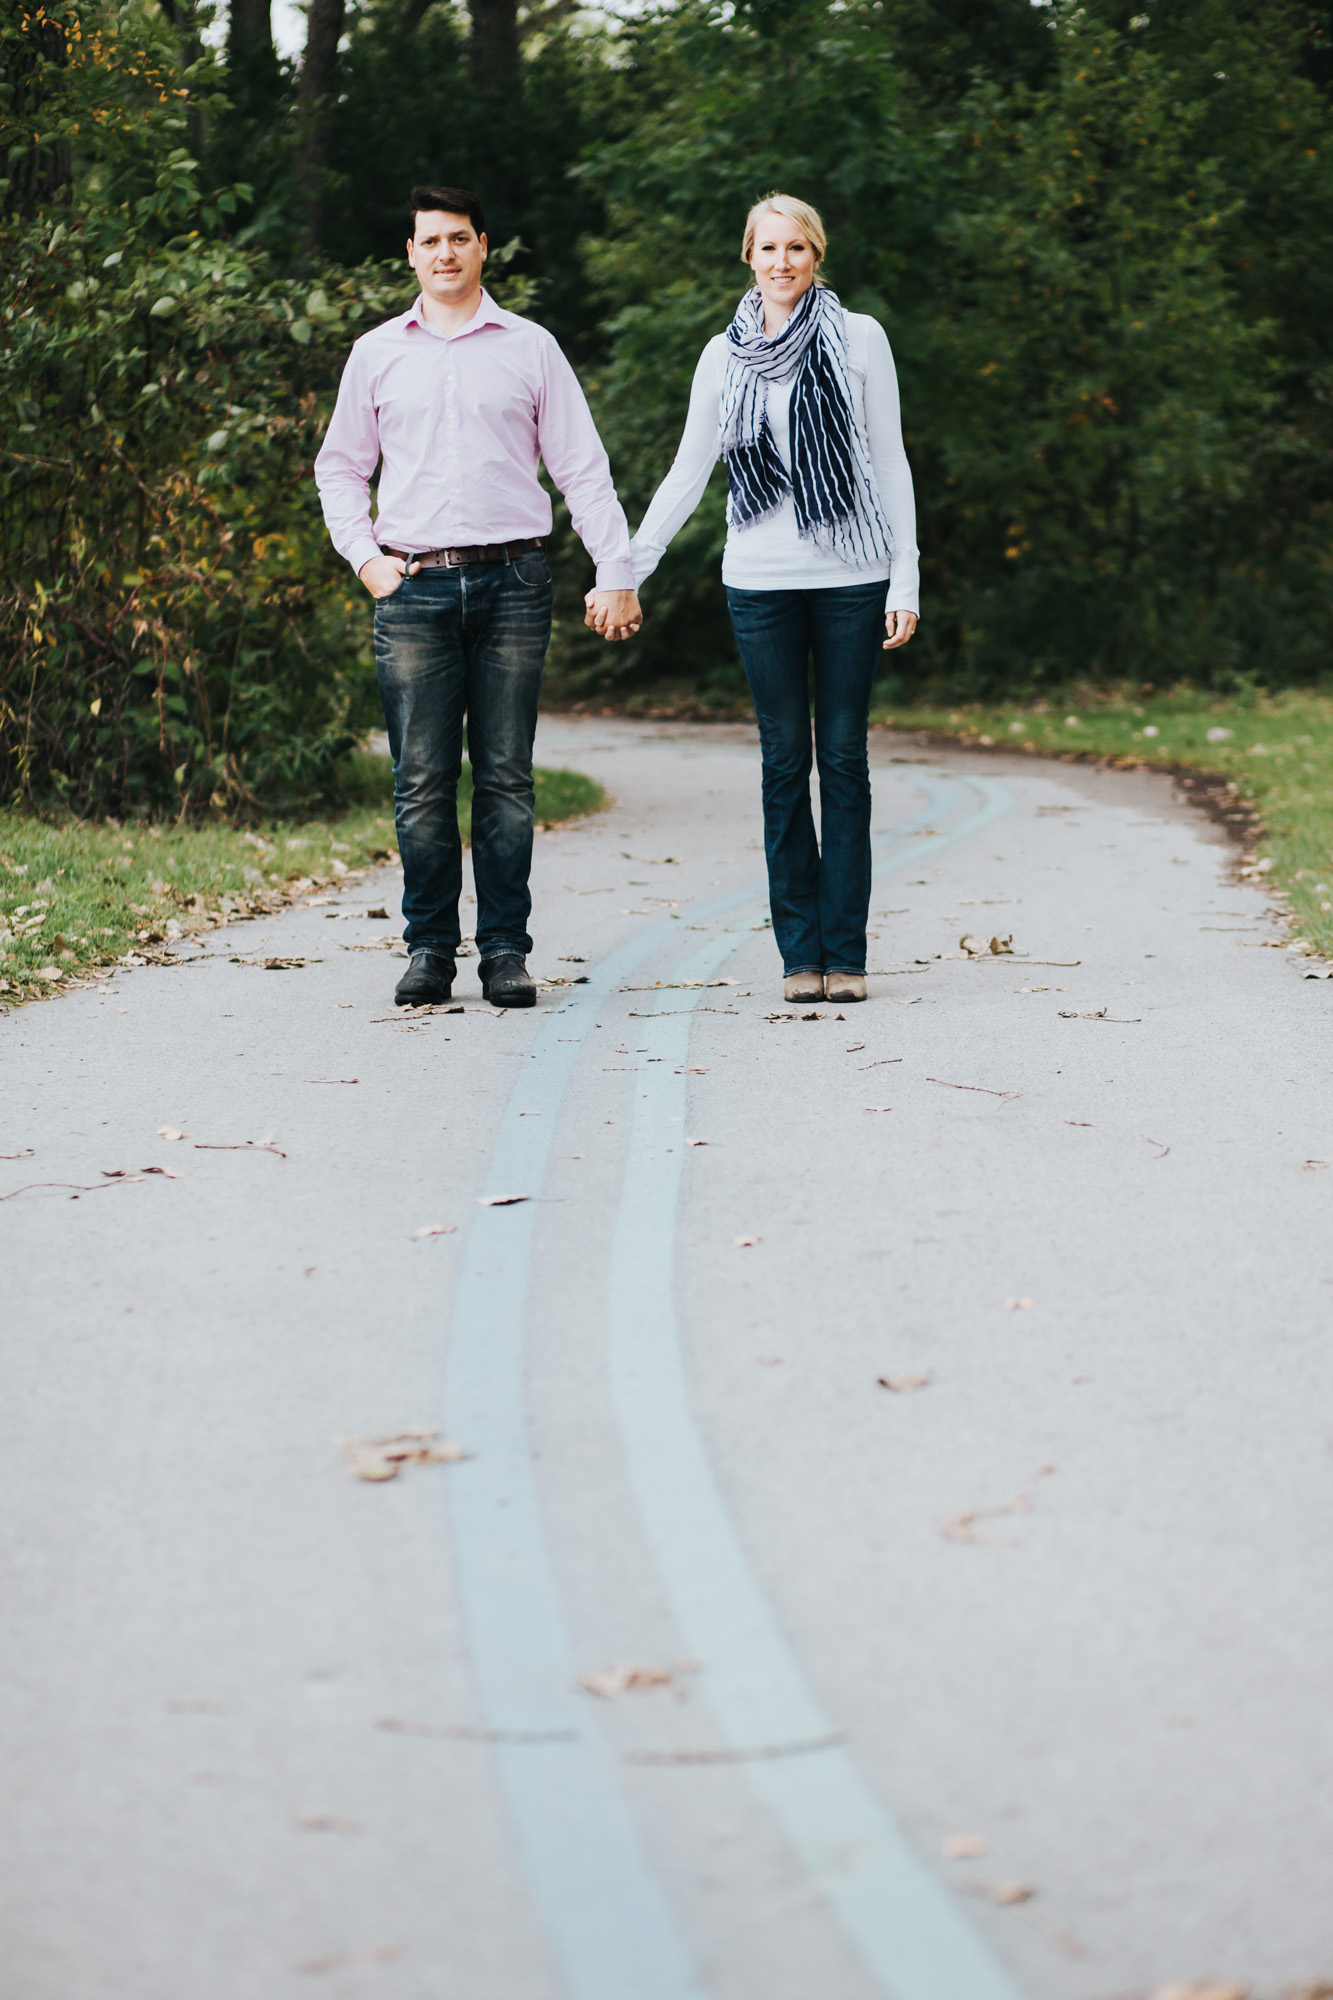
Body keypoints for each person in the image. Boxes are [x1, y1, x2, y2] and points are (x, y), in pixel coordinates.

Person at [316, 185, 642, 1009]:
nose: (445, 254)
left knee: (504, 777)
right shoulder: (377, 352)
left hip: (514, 581)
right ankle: (429, 949)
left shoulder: (531, 347)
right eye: (430, 241)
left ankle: (504, 950)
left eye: (459, 238)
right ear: (411, 253)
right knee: (421, 780)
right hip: (414, 585)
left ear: (483, 246)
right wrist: (366, 560)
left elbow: (580, 467)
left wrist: (616, 569)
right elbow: (340, 467)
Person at [598, 192, 918, 1005]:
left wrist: (905, 575)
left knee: (842, 760)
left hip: (851, 574)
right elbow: (687, 471)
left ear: (817, 257)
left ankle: (845, 954)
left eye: (796, 249)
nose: (781, 262)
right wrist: (629, 565)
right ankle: (797, 957)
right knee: (784, 763)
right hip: (758, 581)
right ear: (747, 257)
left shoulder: (858, 339)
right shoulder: (723, 354)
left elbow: (889, 461)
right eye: (767, 248)